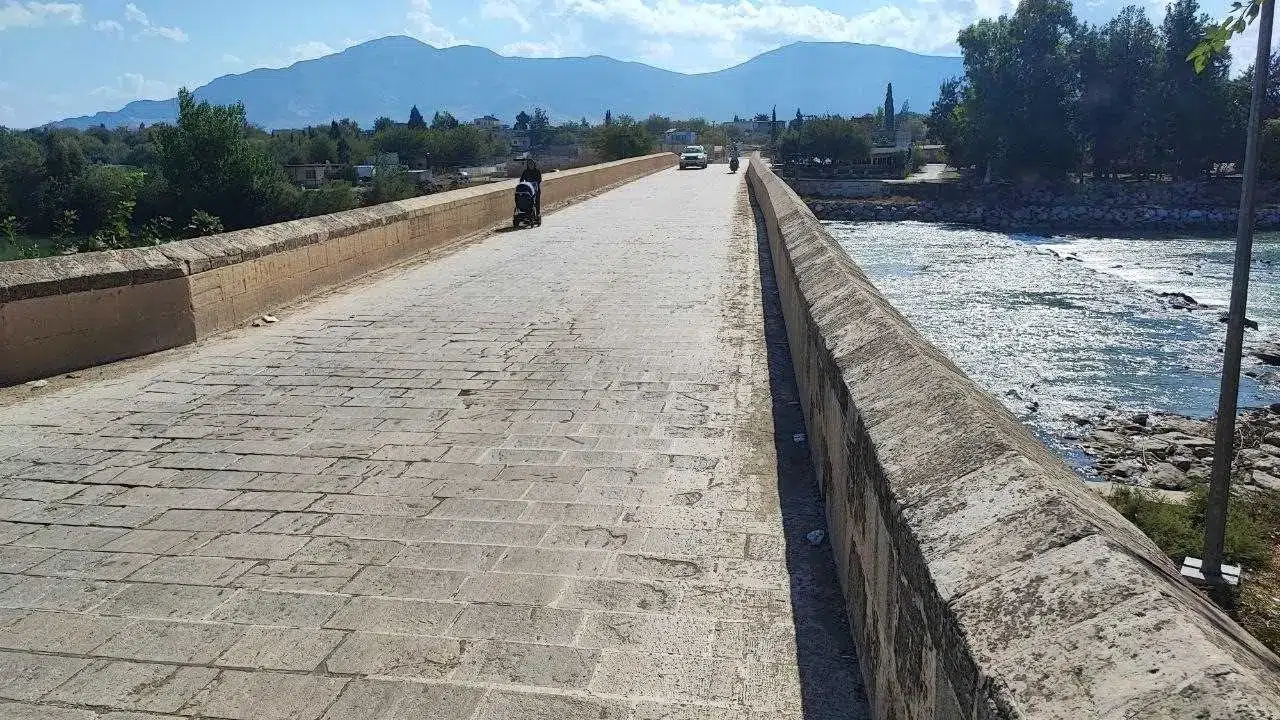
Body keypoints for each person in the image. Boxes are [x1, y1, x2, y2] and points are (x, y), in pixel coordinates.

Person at [518, 158, 542, 225]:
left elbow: (539, 179)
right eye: (529, 164)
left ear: (534, 164)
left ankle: (537, 214)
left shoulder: (537, 171)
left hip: (535, 189)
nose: (530, 165)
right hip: (528, 190)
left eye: (531, 164)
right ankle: (527, 214)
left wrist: (534, 183)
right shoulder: (525, 172)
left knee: (536, 202)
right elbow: (522, 179)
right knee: (527, 201)